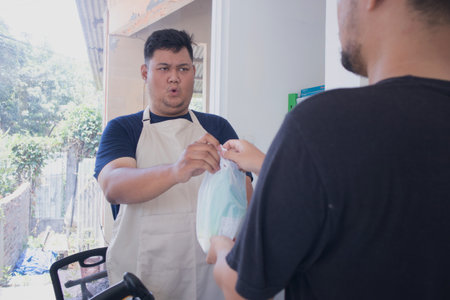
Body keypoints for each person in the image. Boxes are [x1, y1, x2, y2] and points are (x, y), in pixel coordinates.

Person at [207, 0, 450, 299]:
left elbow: (239, 287)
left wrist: (220, 248)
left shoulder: (324, 124)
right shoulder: (327, 137)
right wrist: (269, 164)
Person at [94, 29, 253, 300]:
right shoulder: (124, 129)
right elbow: (113, 185)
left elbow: (245, 197)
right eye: (164, 68)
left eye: (183, 68)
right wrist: (175, 171)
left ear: (193, 72)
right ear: (145, 73)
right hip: (144, 280)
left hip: (209, 277)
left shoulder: (217, 126)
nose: (174, 78)